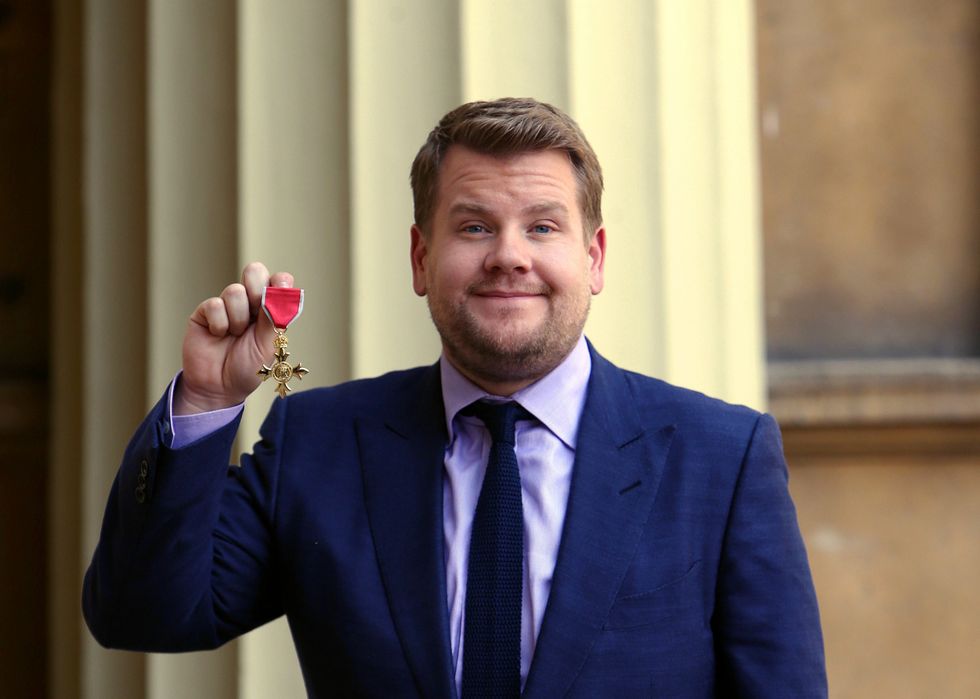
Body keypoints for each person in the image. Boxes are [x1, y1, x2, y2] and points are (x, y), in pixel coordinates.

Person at [83, 98, 827, 698]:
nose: (509, 254)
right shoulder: (321, 443)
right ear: (421, 257)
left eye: (542, 226)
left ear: (593, 258)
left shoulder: (721, 459)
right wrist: (209, 400)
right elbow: (145, 612)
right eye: (474, 226)